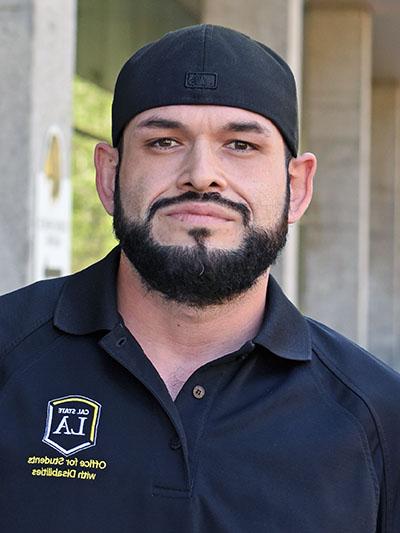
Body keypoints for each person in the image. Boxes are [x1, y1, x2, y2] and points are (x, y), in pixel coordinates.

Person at [0, 24, 399, 533]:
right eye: (165, 142)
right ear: (109, 176)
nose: (202, 173)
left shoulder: (378, 417)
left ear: (296, 187)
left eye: (240, 145)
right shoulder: (8, 352)